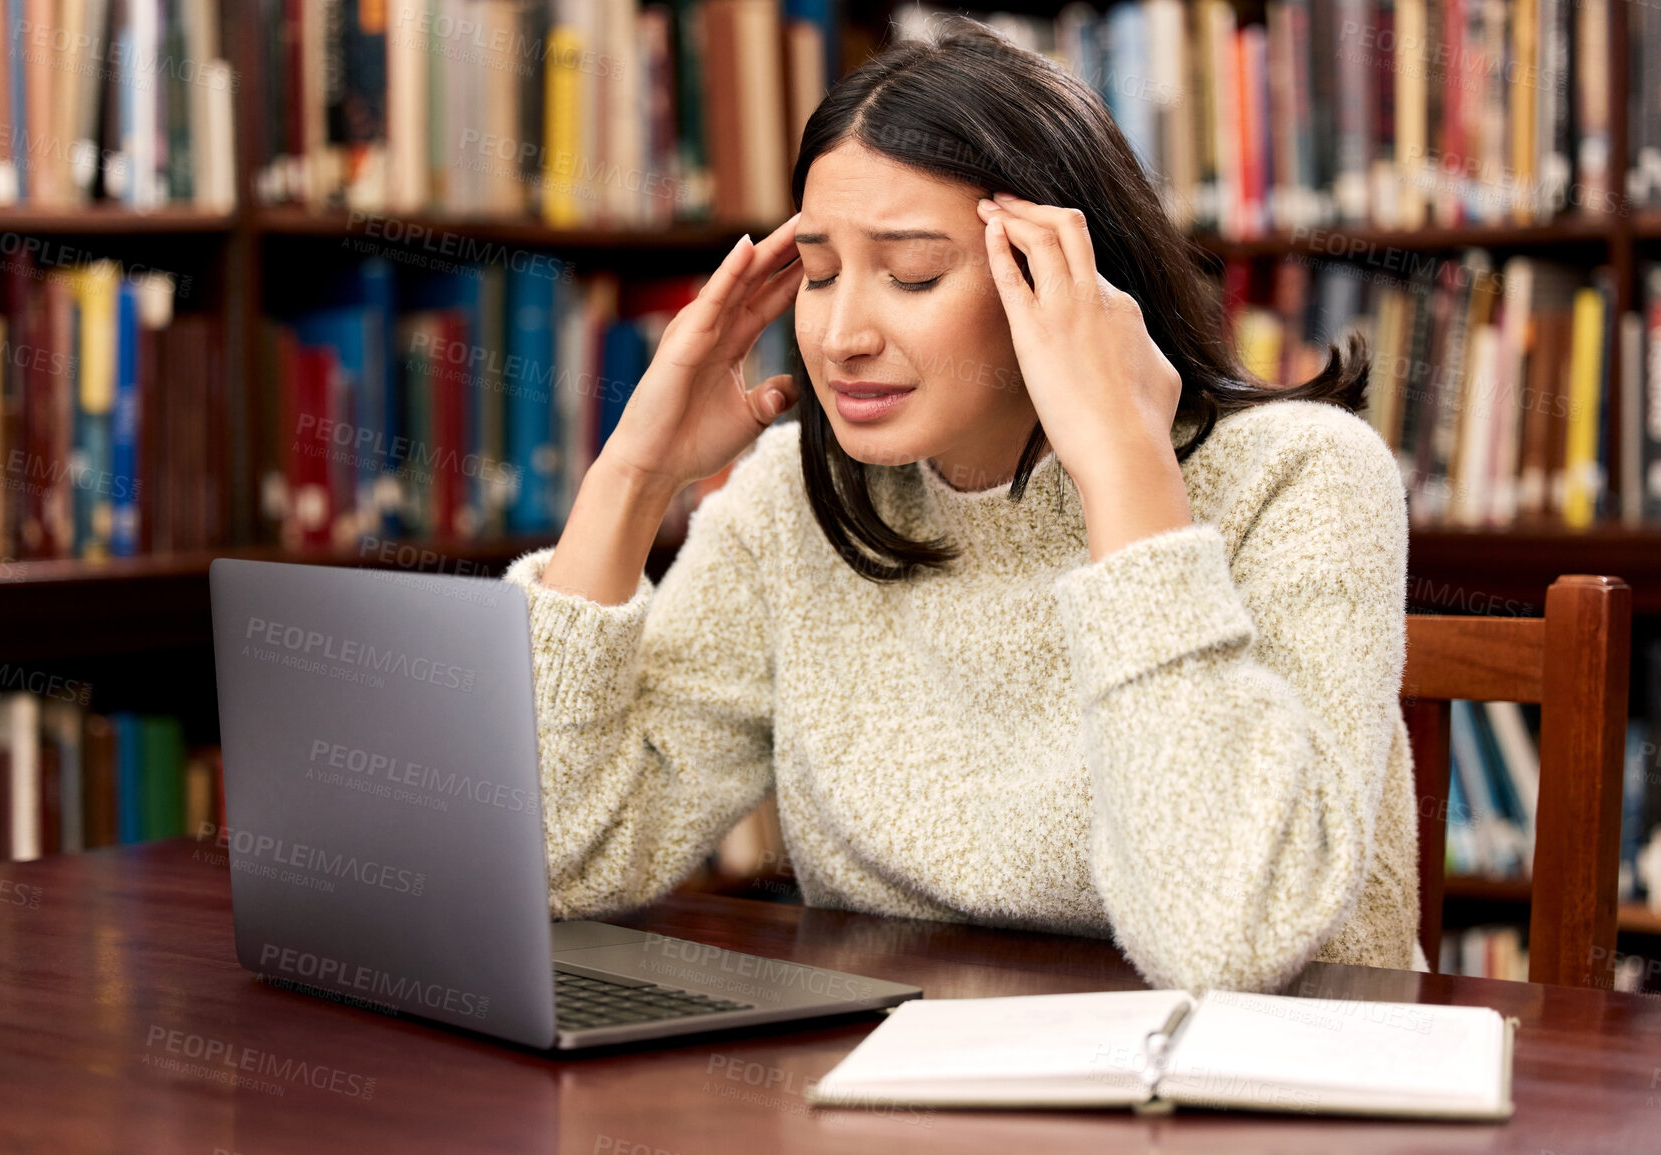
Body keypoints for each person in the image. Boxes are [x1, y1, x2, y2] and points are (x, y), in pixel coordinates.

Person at [502, 16, 1418, 995]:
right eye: (817, 273)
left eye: (913, 273)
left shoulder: (1302, 475)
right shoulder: (796, 499)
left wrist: (1121, 469)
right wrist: (633, 479)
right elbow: (563, 861)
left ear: (1064, 274)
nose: (842, 334)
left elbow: (1229, 942)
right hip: (901, 1093)